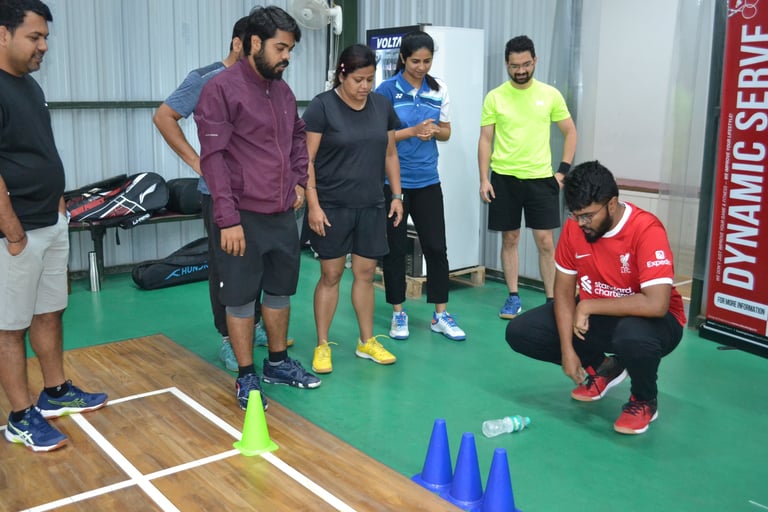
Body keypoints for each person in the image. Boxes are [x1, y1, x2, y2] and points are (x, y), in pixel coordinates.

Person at [194, 6, 320, 412]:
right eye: (280, 48)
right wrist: (227, 219)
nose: (287, 57)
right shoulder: (220, 89)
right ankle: (246, 374)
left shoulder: (281, 91)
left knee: (280, 290)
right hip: (241, 216)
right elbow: (213, 159)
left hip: (281, 212)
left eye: (290, 49)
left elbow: (298, 136)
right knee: (240, 297)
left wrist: (298, 180)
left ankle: (278, 363)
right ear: (254, 43)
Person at [153, 16, 294, 374]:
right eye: (279, 47)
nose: (284, 56)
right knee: (228, 274)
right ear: (243, 43)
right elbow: (164, 117)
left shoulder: (271, 86)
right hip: (220, 196)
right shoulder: (208, 80)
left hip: (261, 198)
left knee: (261, 272)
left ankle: (255, 328)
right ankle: (229, 339)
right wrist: (197, 162)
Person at [505, 161, 685, 434]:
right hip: (603, 315)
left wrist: (588, 305)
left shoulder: (646, 229)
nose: (581, 223)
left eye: (588, 216)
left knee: (631, 335)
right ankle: (604, 367)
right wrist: (568, 351)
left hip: (656, 322)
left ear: (611, 204)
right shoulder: (575, 227)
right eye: (575, 214)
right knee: (522, 331)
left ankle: (644, 399)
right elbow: (563, 293)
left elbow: (656, 304)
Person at [0, 0, 107, 452]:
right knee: (10, 327)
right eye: (34, 37)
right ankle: (19, 417)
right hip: (16, 234)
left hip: (50, 221)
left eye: (45, 37)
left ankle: (55, 391)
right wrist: (13, 232)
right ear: (3, 34)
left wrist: (59, 204)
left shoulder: (29, 86)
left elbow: (38, 149)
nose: (43, 46)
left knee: (49, 311)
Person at [303, 44, 404, 374]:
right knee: (331, 275)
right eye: (358, 80)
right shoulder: (322, 107)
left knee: (365, 275)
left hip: (372, 204)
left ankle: (366, 341)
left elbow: (390, 153)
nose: (365, 86)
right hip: (332, 206)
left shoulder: (382, 106)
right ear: (342, 75)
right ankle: (322, 344)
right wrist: (313, 205)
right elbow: (307, 160)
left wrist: (397, 195)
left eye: (370, 79)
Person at [477, 35, 577, 319]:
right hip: (504, 178)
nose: (520, 71)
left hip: (541, 179)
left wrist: (563, 171)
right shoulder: (495, 97)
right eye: (514, 66)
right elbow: (485, 139)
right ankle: (513, 297)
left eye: (526, 64)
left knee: (545, 242)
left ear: (535, 61)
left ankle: (552, 301)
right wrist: (484, 179)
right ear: (506, 64)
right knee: (510, 239)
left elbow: (570, 131)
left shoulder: (550, 95)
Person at [375, 31, 466, 342]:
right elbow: (381, 137)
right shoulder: (386, 90)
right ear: (403, 58)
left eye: (427, 61)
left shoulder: (438, 89)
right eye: (415, 61)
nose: (421, 67)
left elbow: (447, 132)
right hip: (394, 183)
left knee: (436, 247)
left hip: (428, 181)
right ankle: (398, 312)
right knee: (395, 250)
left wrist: (434, 131)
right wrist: (412, 131)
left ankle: (441, 314)